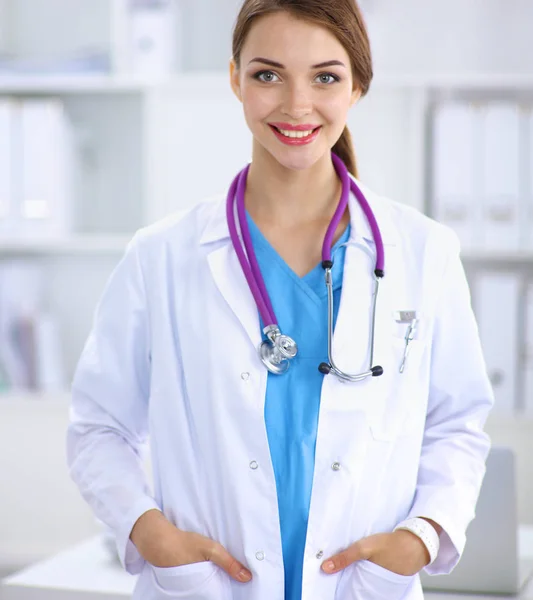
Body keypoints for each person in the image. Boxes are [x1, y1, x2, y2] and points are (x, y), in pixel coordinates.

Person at [66, 1, 494, 599]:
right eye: (268, 74)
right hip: (210, 585)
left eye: (325, 77)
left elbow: (458, 424)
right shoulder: (161, 256)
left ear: (358, 86)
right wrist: (149, 531)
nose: (297, 105)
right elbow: (98, 428)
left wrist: (423, 535)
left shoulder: (424, 253)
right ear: (235, 77)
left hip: (360, 585)